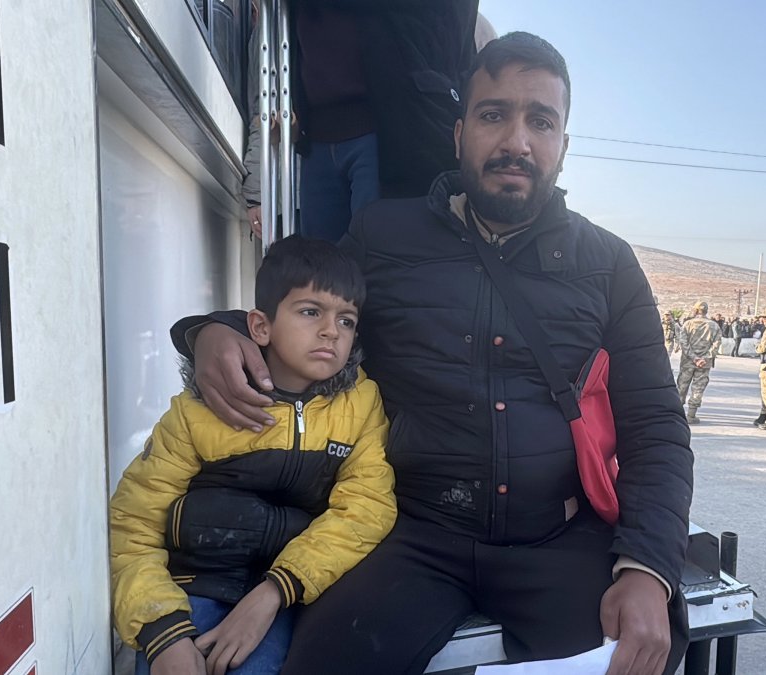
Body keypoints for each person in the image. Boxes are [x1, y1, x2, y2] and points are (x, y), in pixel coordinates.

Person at [177, 33, 692, 675]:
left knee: (640, 655)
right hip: (409, 537)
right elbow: (305, 312)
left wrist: (647, 567)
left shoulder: (609, 263)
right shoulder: (384, 235)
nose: (516, 141)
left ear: (563, 145)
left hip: (560, 540)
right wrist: (215, 330)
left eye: (541, 120)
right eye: (493, 114)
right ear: (458, 134)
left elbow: (657, 426)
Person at [111, 236, 397, 675]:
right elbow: (133, 525)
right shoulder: (199, 409)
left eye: (346, 320)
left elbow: (367, 508)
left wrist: (276, 591)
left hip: (283, 593)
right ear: (261, 327)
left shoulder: (359, 404)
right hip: (187, 592)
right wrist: (161, 631)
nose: (330, 331)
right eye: (310, 312)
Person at [244, 1, 480, 242]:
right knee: (319, 259)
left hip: (376, 132)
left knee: (372, 248)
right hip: (315, 141)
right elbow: (261, 97)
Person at [677, 301, 721, 424]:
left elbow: (683, 343)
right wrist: (704, 358)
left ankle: (677, 414)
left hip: (688, 362)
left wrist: (693, 357)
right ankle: (691, 415)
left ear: (695, 310)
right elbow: (716, 345)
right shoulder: (714, 326)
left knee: (682, 386)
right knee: (698, 388)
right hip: (704, 364)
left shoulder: (688, 324)